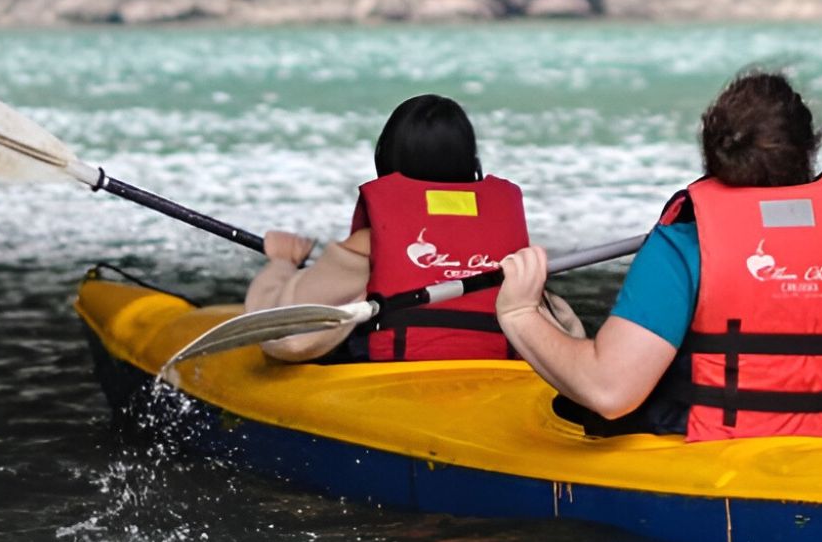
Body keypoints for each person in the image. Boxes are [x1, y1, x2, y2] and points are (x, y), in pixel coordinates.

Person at [494, 70, 822, 442]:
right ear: (811, 147)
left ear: (711, 152)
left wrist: (520, 314)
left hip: (710, 453)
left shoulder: (682, 247)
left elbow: (610, 391)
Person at [247, 93, 579, 362]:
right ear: (471, 163)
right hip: (492, 371)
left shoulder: (369, 243)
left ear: (386, 160)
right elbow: (568, 333)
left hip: (401, 380)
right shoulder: (503, 241)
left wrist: (281, 263)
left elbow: (286, 337)